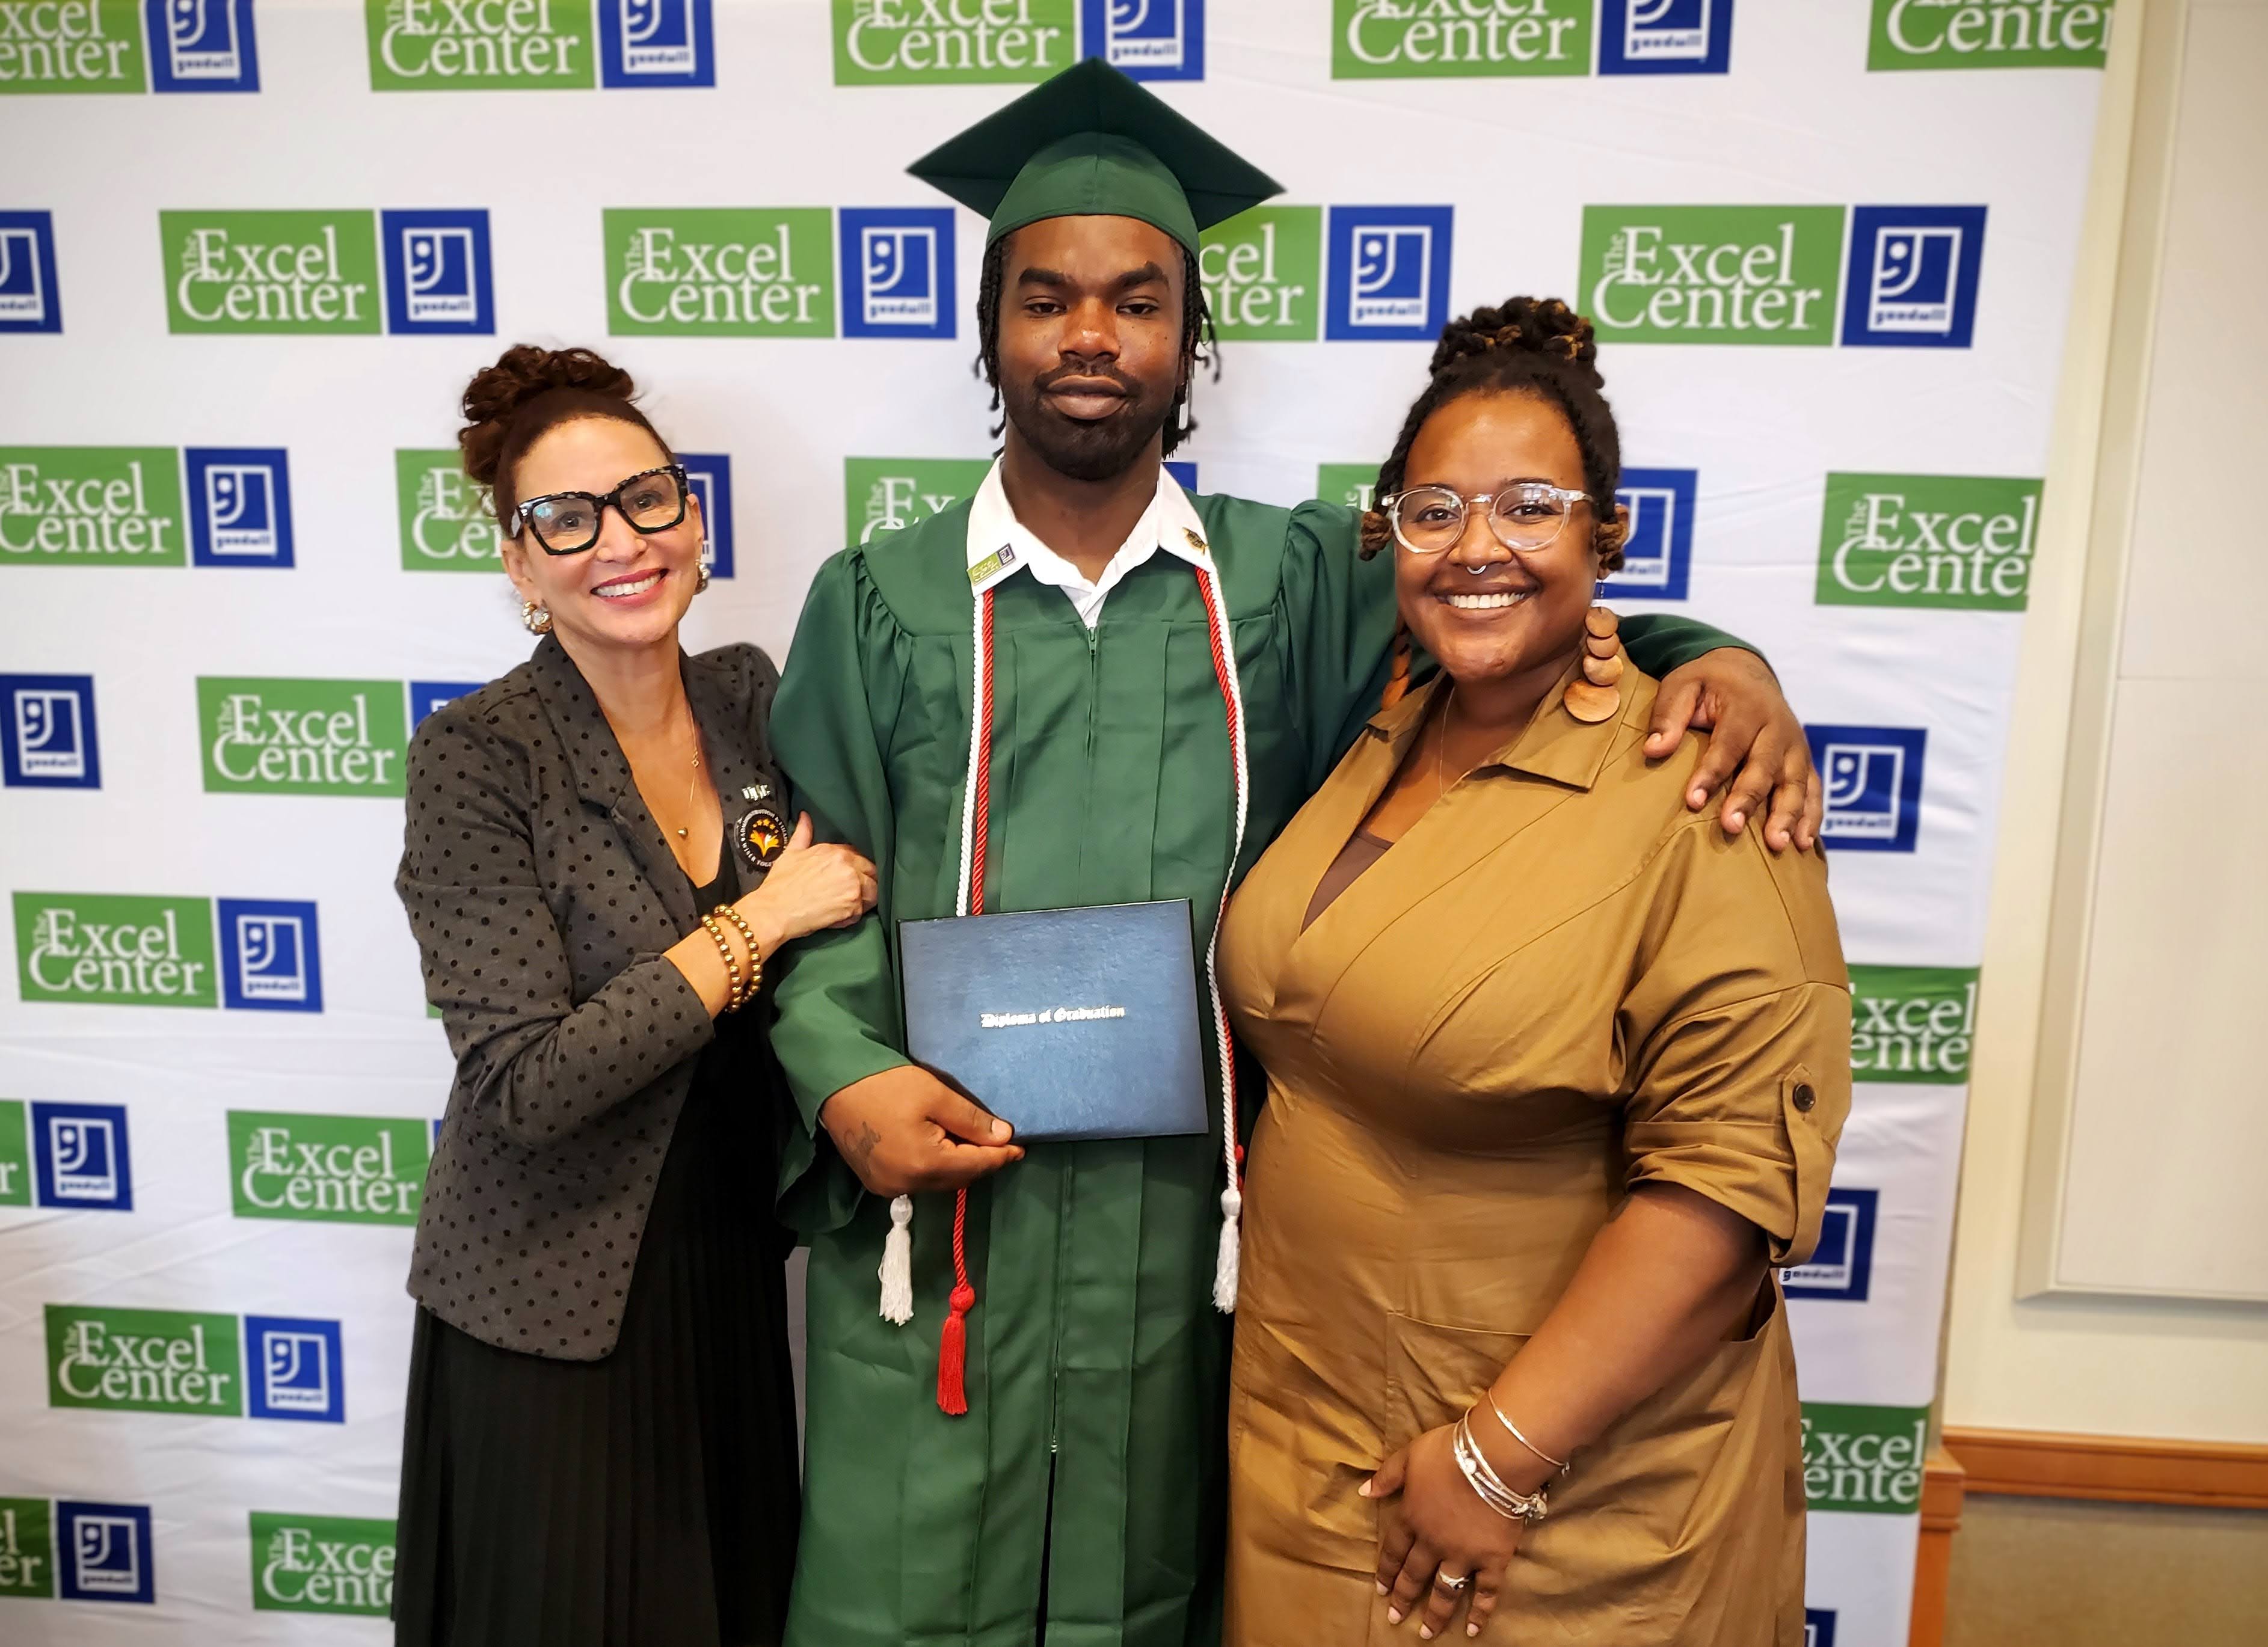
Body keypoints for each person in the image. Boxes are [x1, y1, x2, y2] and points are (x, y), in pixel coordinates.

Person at [766, 61, 1822, 1647]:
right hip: (950, 1235)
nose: (1090, 333)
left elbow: (1496, 608)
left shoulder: (1293, 579)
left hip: (1195, 1245)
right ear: (989, 330)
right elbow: (818, 874)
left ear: (1191, 341)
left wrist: (1717, 656)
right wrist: (841, 1072)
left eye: (1137, 298)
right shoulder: (876, 601)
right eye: (1047, 297)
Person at [1214, 298, 1849, 1646]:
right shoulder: (1382, 721)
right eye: (1435, 508)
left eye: (1530, 506)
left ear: (1603, 533)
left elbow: (1726, 1192)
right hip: (1308, 1446)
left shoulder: (1705, 790)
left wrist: (1496, 1458)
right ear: (1386, 530)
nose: (1476, 547)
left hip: (1550, 1500)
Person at [389, 344, 878, 1646]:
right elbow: (523, 1080)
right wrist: (759, 919)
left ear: (693, 518)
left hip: (724, 1277)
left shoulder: (750, 699)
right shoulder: (477, 758)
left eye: (646, 498)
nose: (619, 539)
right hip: (552, 1308)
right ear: (518, 559)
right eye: (566, 516)